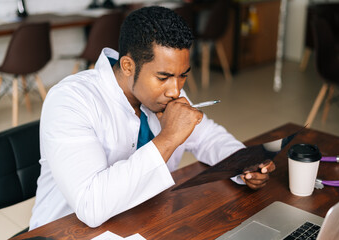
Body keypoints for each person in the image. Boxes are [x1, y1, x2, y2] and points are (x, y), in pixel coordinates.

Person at [29, 6, 275, 230]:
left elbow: (208, 138)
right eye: (163, 77)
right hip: (66, 231)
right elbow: (92, 207)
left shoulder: (166, 91)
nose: (176, 90)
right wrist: (168, 138)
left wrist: (245, 164)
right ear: (128, 66)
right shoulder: (71, 100)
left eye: (183, 76)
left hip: (143, 220)